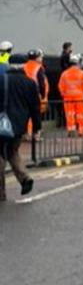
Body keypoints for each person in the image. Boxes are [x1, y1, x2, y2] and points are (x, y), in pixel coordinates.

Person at [0, 53, 41, 201]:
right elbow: (35, 107)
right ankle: (25, 178)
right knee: (12, 152)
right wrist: (36, 127)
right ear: (23, 66)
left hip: (2, 124)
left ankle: (1, 193)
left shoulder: (2, 79)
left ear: (10, 65)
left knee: (2, 154)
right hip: (19, 126)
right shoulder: (29, 83)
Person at [59, 53, 83, 137]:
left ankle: (71, 130)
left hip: (67, 97)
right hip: (79, 96)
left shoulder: (64, 73)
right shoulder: (82, 73)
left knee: (69, 114)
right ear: (78, 62)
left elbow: (61, 86)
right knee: (81, 113)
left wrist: (64, 94)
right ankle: (82, 131)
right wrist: (82, 92)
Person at [23, 49, 49, 135]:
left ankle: (27, 133)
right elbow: (41, 83)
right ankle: (35, 134)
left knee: (27, 114)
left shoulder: (24, 66)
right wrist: (43, 94)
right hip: (35, 94)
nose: (41, 58)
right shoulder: (39, 67)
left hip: (24, 94)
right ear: (37, 58)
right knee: (36, 115)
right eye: (40, 57)